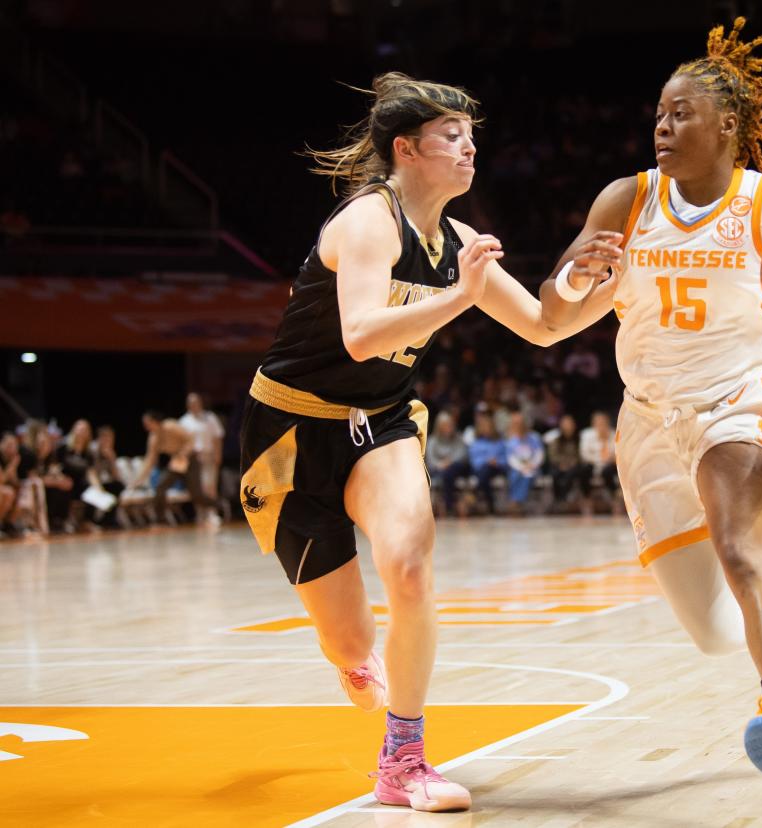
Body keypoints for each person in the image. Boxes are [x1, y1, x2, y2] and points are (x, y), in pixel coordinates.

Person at [537, 19, 762, 802]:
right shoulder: (628, 198)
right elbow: (552, 314)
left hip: (735, 401)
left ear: (728, 125)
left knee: (742, 546)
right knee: (711, 628)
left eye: (680, 114)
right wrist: (574, 280)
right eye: (659, 115)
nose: (662, 127)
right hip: (647, 419)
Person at [236, 72, 618, 812]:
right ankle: (351, 661)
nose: (469, 147)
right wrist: (458, 298)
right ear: (406, 149)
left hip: (379, 420)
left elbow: (542, 324)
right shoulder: (367, 223)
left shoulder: (463, 243)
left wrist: (602, 291)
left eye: (472, 135)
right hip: (287, 429)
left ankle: (403, 758)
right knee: (350, 643)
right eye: (452, 135)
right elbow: (359, 333)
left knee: (410, 566)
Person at [131, 411, 212, 525]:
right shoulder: (153, 438)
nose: (146, 426)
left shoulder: (170, 426)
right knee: (160, 486)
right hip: (176, 463)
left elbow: (190, 440)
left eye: (147, 423)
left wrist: (183, 453)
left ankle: (220, 505)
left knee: (197, 495)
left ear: (155, 421)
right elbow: (149, 460)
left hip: (190, 460)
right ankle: (161, 519)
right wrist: (138, 480)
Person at [179, 392, 225, 524]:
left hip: (208, 455)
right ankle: (201, 513)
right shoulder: (184, 421)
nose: (194, 405)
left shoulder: (209, 417)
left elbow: (217, 437)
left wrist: (218, 454)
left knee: (210, 486)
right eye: (191, 403)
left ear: (200, 403)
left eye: (196, 402)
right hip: (193, 459)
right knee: (197, 488)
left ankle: (212, 513)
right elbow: (181, 443)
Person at [425, 411, 470, 517]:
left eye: (450, 425)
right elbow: (431, 460)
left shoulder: (458, 438)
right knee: (445, 474)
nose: (448, 428)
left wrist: (449, 462)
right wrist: (441, 464)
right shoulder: (432, 441)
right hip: (438, 469)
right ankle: (449, 505)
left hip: (456, 468)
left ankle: (449, 505)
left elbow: (463, 454)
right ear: (439, 427)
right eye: (445, 425)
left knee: (450, 471)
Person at [544, 414, 592, 510]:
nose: (567, 426)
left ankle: (565, 497)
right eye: (565, 424)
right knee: (555, 473)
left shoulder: (580, 439)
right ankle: (558, 499)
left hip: (575, 466)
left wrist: (571, 463)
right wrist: (562, 463)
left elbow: (582, 454)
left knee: (578, 471)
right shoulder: (556, 440)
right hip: (560, 465)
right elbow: (553, 456)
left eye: (569, 424)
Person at [578, 410, 620, 514]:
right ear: (594, 424)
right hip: (593, 464)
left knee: (608, 471)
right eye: (598, 423)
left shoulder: (614, 434)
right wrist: (602, 459)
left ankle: (615, 499)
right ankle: (587, 499)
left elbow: (617, 453)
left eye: (603, 422)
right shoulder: (586, 435)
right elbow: (585, 454)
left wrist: (609, 459)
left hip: (609, 466)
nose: (601, 425)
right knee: (584, 470)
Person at [466, 410, 507, 515]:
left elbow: (505, 458)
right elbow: (474, 460)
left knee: (485, 472)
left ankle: (475, 494)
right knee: (484, 472)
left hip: (497, 468)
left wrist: (496, 461)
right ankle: (490, 505)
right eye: (483, 427)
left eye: (488, 427)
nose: (486, 429)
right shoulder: (476, 443)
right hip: (482, 469)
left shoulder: (500, 442)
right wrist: (486, 461)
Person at [504, 413, 544, 512]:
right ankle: (517, 502)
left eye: (520, 423)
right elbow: (511, 459)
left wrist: (532, 465)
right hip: (518, 468)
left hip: (534, 467)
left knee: (528, 475)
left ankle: (515, 502)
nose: (519, 426)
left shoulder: (534, 438)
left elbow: (539, 454)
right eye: (516, 424)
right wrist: (522, 467)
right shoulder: (511, 441)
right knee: (515, 475)